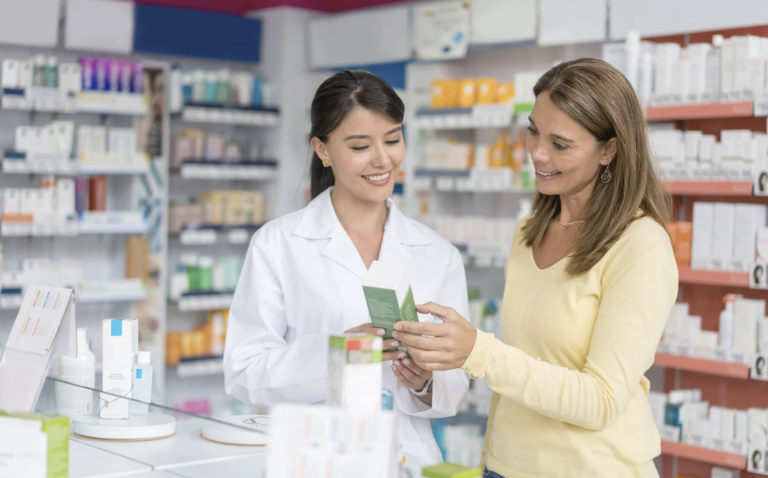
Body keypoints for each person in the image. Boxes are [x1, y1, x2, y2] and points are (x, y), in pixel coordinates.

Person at [393, 59, 678, 478]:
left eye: (560, 144)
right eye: (533, 131)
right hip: (504, 465)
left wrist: (479, 351)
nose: (537, 153)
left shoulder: (641, 247)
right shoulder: (530, 231)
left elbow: (600, 401)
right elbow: (525, 368)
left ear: (609, 149)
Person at [223, 70, 470, 466]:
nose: (383, 159)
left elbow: (455, 386)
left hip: (406, 458)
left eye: (392, 139)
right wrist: (338, 353)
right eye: (360, 146)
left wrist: (425, 381)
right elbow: (244, 373)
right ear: (322, 149)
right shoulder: (279, 243)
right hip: (314, 457)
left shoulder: (438, 254)